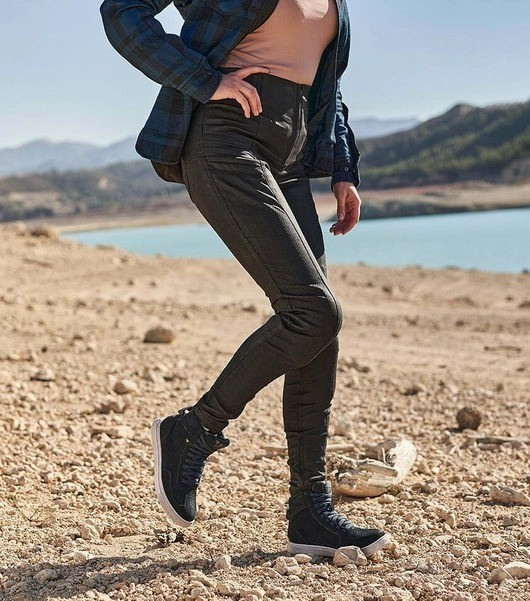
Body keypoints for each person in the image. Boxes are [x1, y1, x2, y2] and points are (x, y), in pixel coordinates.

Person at [100, 0, 391, 558]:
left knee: (318, 329)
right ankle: (194, 430)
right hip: (227, 139)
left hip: (293, 155)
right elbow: (122, 12)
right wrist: (204, 81)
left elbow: (326, 86)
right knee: (313, 312)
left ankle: (310, 511)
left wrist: (343, 169)